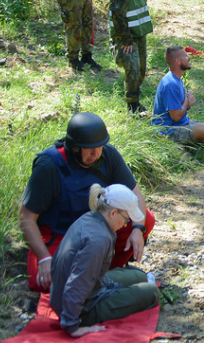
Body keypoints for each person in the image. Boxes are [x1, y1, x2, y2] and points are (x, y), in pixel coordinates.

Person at [18, 112, 155, 292]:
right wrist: (43, 258)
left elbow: (135, 197)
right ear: (74, 147)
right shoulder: (48, 166)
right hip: (61, 236)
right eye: (90, 149)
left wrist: (138, 229)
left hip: (98, 231)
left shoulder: (108, 156)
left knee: (146, 219)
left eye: (99, 147)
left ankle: (109, 272)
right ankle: (98, 277)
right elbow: (26, 217)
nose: (96, 154)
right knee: (45, 282)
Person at [50, 184, 160, 337]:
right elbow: (78, 283)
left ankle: (113, 289)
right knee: (152, 292)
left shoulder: (90, 218)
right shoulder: (99, 240)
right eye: (126, 220)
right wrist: (72, 326)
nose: (125, 225)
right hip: (82, 308)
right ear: (113, 213)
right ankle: (76, 318)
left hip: (80, 290)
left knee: (140, 275)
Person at [109, 0, 153, 114]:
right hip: (126, 38)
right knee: (132, 68)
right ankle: (132, 104)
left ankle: (136, 100)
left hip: (140, 35)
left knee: (141, 69)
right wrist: (126, 41)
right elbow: (118, 17)